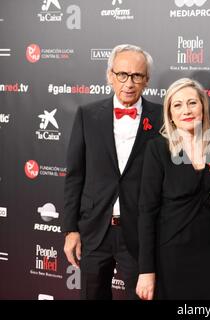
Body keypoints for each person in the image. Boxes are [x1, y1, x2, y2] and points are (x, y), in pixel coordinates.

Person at [62, 44, 162, 300]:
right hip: (94, 231)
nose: (129, 83)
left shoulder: (162, 117)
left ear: (147, 80)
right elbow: (75, 175)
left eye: (137, 76)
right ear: (110, 76)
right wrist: (71, 229)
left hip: (140, 232)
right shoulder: (87, 115)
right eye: (122, 74)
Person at [136, 78, 210, 300]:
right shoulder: (158, 149)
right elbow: (146, 213)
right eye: (177, 105)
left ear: (202, 107)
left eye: (192, 103)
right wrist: (146, 270)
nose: (186, 110)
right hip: (172, 256)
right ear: (169, 113)